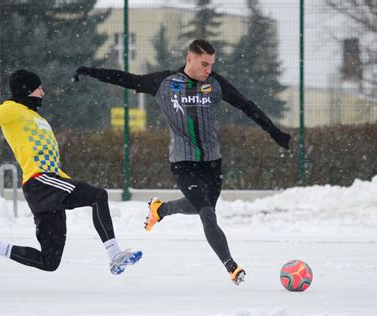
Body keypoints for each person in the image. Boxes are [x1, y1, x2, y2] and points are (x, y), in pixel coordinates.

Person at [74, 39, 291, 285]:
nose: (208, 70)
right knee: (207, 214)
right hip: (183, 163)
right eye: (204, 64)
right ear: (190, 58)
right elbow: (127, 79)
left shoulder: (215, 83)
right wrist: (90, 72)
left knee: (200, 205)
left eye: (211, 64)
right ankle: (231, 266)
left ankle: (161, 209)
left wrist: (275, 132)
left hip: (212, 163)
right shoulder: (165, 83)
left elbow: (247, 106)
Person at [0, 69, 142, 275]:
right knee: (98, 196)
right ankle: (115, 255)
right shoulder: (13, 108)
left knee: (49, 261)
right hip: (41, 182)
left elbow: (50, 163)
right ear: (26, 90)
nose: (43, 93)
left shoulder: (38, 118)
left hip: (48, 186)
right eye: (39, 88)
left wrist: (70, 183)